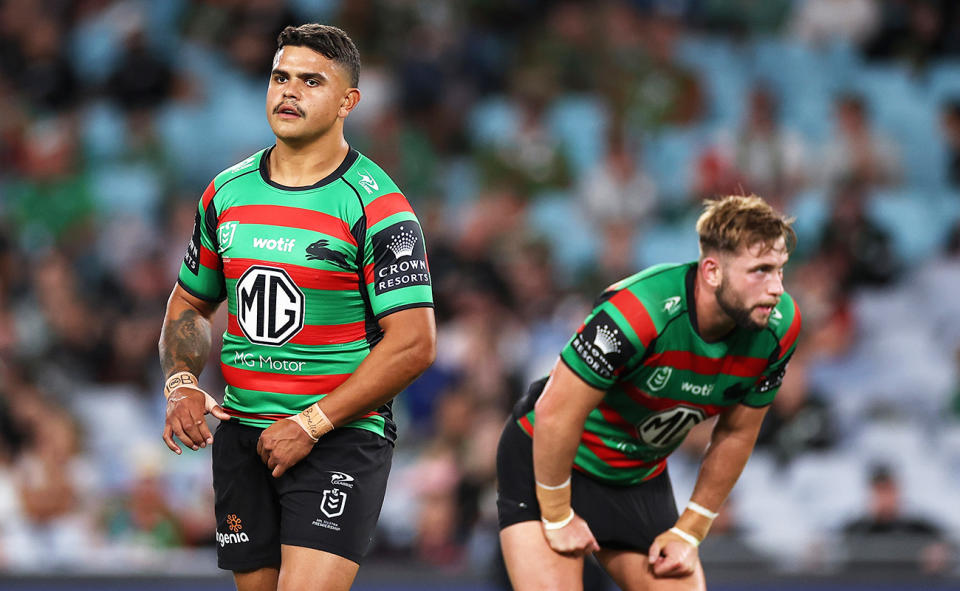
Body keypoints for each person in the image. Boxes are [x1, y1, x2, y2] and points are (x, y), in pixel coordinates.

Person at [158, 24, 436, 591]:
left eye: (311, 81)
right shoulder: (226, 193)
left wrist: (312, 423)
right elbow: (190, 301)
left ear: (347, 102)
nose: (289, 92)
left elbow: (414, 342)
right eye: (280, 77)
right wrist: (182, 381)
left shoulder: (377, 205)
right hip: (242, 435)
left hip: (339, 437)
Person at [497, 195, 801, 590]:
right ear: (712, 271)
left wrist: (689, 531)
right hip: (553, 463)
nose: (777, 288)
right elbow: (555, 411)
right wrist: (557, 514)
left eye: (780, 270)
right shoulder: (639, 313)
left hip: (637, 477)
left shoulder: (778, 328)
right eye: (760, 270)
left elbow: (736, 433)